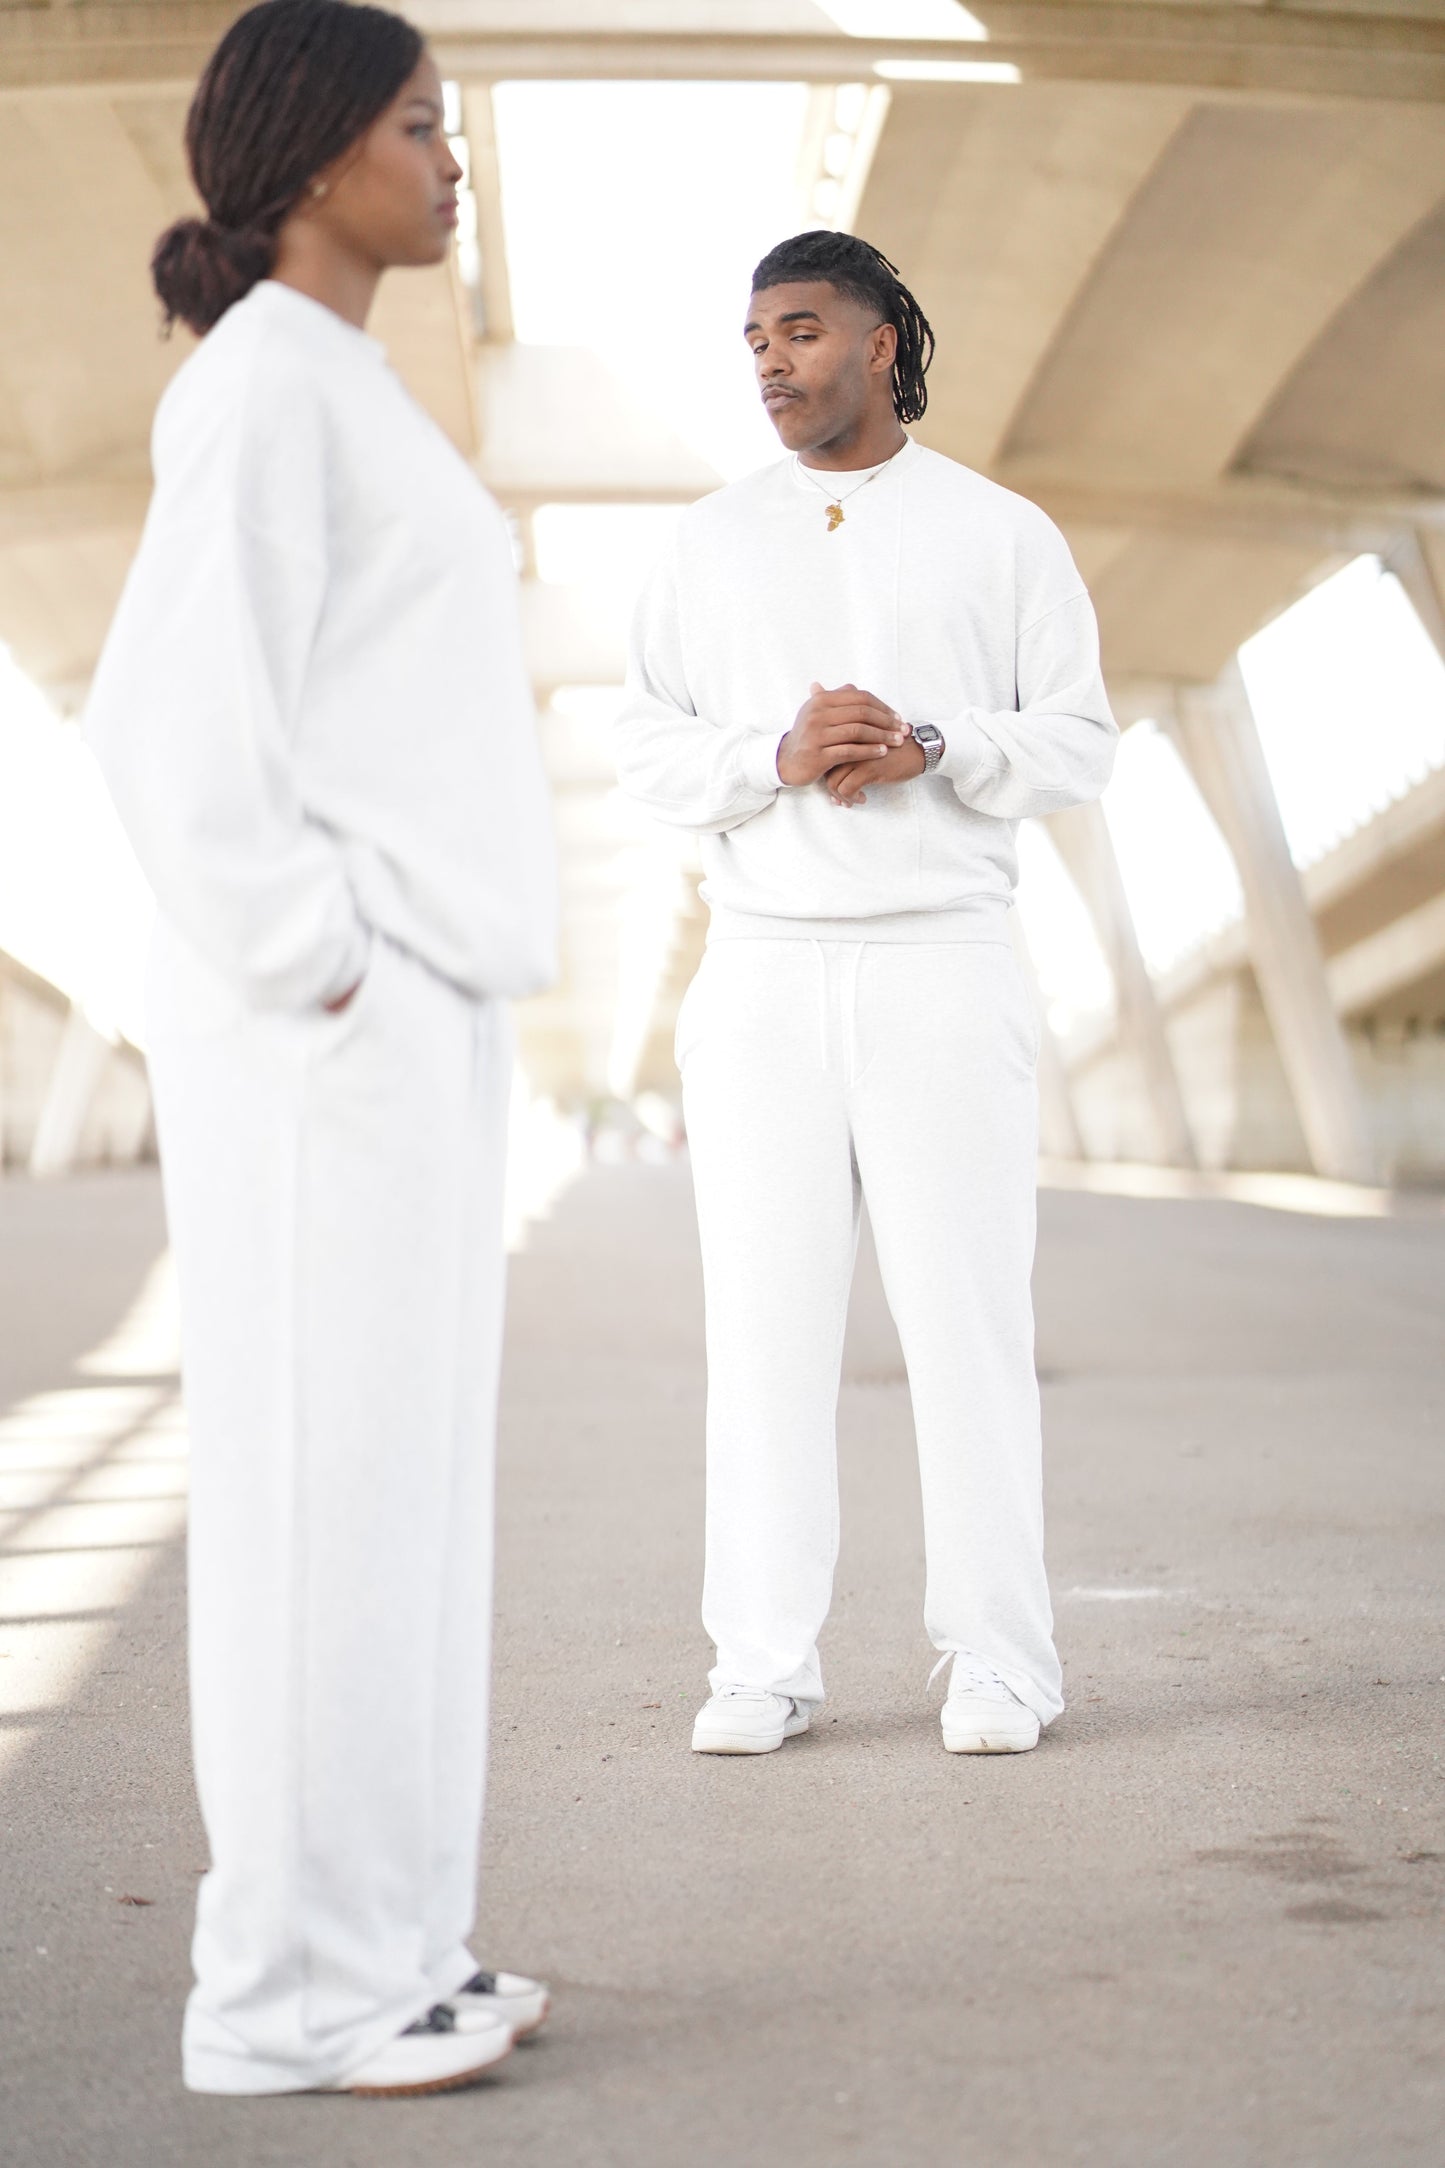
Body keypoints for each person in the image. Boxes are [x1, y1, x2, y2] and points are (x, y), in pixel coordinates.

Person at [86, 0, 557, 2097]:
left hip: (415, 1009)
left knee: (402, 1509)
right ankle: (279, 1994)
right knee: (314, 1506)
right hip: (330, 1023)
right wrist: (329, 961)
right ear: (310, 149)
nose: (450, 163)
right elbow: (171, 726)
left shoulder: (348, 386)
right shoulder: (268, 382)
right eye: (419, 124)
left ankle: (394, 1945)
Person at [614, 229, 1117, 1760]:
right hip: (760, 974)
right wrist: (775, 751)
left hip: (941, 970)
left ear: (885, 339)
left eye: (803, 330)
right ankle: (762, 1663)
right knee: (760, 1338)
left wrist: (936, 747)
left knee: (966, 1331)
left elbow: (1080, 741)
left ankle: (998, 1665)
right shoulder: (704, 543)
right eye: (755, 338)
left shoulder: (1002, 531)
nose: (771, 360)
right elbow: (642, 748)